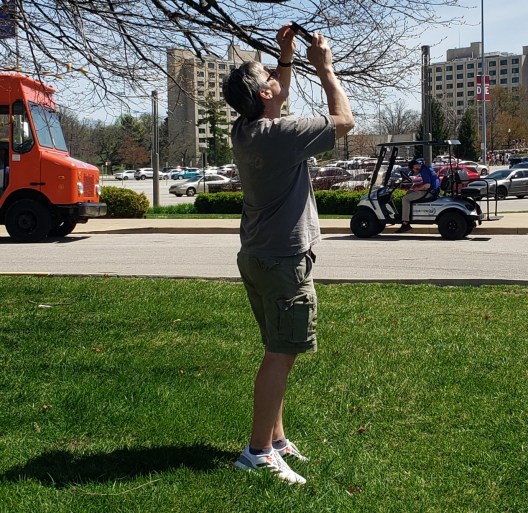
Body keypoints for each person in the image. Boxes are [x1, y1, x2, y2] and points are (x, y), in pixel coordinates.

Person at [222, 24, 354, 485]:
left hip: (258, 256)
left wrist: (284, 58)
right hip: (282, 261)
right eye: (270, 77)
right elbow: (344, 121)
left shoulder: (248, 130)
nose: (278, 81)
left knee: (277, 348)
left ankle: (275, 439)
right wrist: (326, 69)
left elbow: (275, 99)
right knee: (281, 353)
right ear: (261, 94)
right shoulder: (281, 135)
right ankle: (257, 451)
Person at [396, 158, 440, 233]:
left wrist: (418, 188)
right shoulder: (427, 168)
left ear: (416, 166)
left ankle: (405, 223)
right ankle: (407, 215)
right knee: (409, 192)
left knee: (405, 199)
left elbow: (427, 185)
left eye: (413, 169)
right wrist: (417, 185)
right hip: (433, 191)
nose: (414, 172)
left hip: (429, 192)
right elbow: (426, 182)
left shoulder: (424, 171)